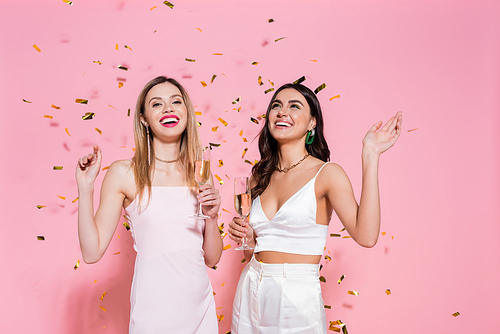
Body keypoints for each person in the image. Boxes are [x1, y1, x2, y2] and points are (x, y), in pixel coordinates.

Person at [228, 82, 402, 333]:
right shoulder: (258, 176)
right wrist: (248, 238)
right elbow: (250, 252)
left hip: (296, 295)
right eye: (276, 105)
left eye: (294, 106)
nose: (282, 112)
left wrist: (370, 154)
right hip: (250, 289)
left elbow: (366, 236)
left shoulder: (327, 173)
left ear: (312, 123)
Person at [76, 76, 222, 333]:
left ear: (186, 111)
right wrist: (86, 187)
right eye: (157, 104)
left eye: (176, 101)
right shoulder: (125, 173)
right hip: (153, 310)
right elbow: (91, 252)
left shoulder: (200, 172)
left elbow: (212, 258)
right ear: (143, 118)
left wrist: (212, 217)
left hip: (200, 309)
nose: (168, 108)